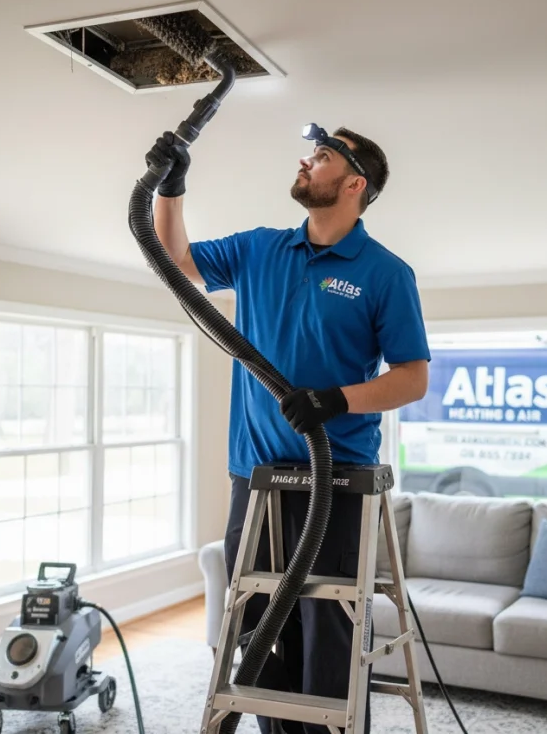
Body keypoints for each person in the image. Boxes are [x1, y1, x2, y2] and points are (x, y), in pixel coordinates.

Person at [146, 123, 430, 734]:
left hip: (337, 482)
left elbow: (412, 379)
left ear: (354, 184)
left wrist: (334, 400)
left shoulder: (385, 273)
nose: (306, 161)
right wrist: (171, 187)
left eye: (321, 156)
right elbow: (175, 260)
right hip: (255, 480)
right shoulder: (260, 250)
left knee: (329, 636)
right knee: (257, 633)